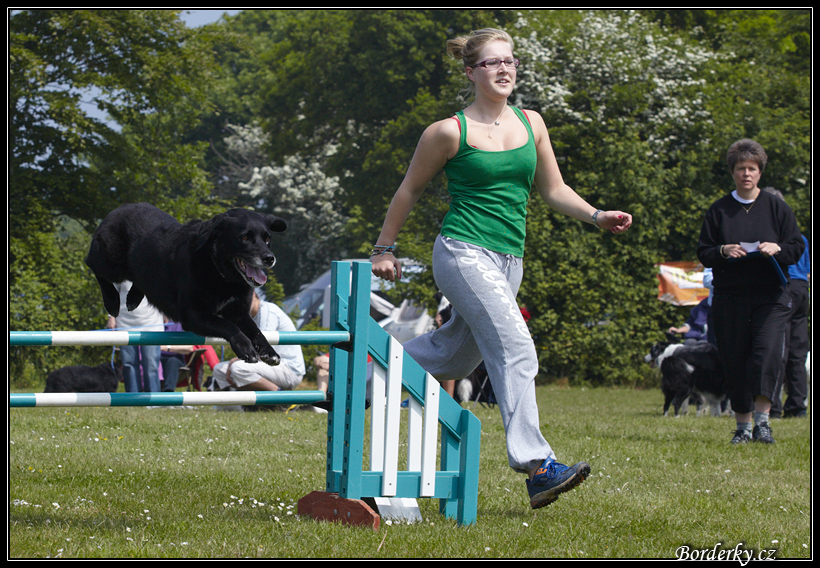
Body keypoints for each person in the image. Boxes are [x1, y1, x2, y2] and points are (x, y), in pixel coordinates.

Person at [371, 28, 633, 510]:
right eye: (493, 63)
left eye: (510, 61)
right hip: (462, 252)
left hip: (509, 260)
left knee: (455, 359)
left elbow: (553, 189)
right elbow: (408, 190)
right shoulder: (449, 131)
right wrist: (383, 249)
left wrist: (597, 215)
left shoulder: (531, 124)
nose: (505, 69)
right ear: (472, 72)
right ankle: (537, 466)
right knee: (515, 347)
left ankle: (363, 379)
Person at [696, 140, 804, 444]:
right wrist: (723, 249)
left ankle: (763, 423)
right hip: (730, 298)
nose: (746, 174)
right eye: (741, 168)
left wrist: (777, 247)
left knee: (766, 356)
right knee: (735, 358)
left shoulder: (777, 208)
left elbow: (796, 247)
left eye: (752, 169)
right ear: (733, 172)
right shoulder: (719, 210)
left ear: (760, 172)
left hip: (771, 298)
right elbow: (704, 251)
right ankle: (742, 427)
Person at [211, 292, 305, 394]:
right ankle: (248, 406)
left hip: (288, 369)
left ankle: (284, 400)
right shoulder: (244, 318)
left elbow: (264, 352)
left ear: (253, 294)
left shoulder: (268, 311)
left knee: (238, 368)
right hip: (268, 366)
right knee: (219, 370)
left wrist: (235, 360)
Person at [107, 280, 163, 392]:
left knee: (151, 364)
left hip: (152, 324)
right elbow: (111, 292)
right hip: (125, 324)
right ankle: (133, 398)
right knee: (129, 364)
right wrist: (111, 317)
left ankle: (154, 399)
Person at [160, 318, 220, 391]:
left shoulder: (178, 325)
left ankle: (168, 392)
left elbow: (189, 348)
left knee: (172, 361)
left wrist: (166, 347)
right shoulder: (151, 325)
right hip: (157, 359)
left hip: (175, 360)